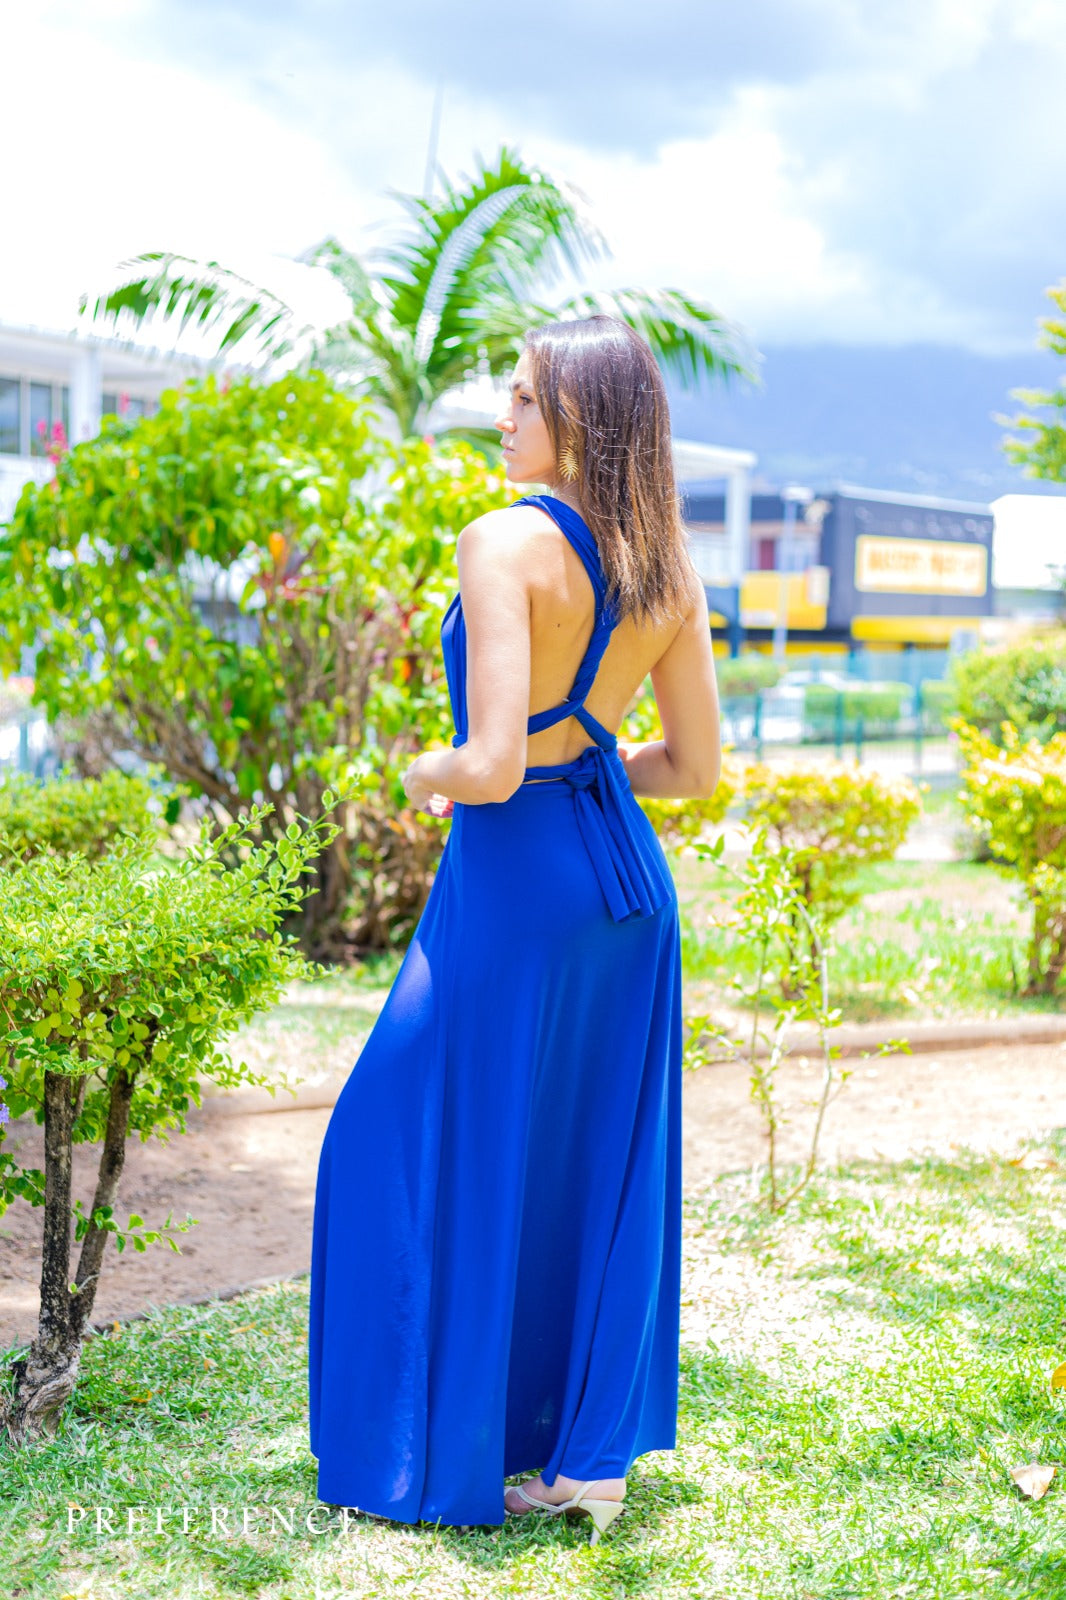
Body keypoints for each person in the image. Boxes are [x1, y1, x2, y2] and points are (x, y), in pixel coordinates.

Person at [308, 313, 722, 1543]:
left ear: (582, 417)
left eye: (526, 397)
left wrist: (414, 768)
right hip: (621, 890)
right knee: (586, 1158)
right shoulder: (667, 571)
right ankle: (586, 1461)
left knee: (392, 1138)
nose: (503, 416)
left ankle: (440, 1446)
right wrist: (587, 752)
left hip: (514, 881)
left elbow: (487, 767)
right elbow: (692, 770)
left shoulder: (503, 542)